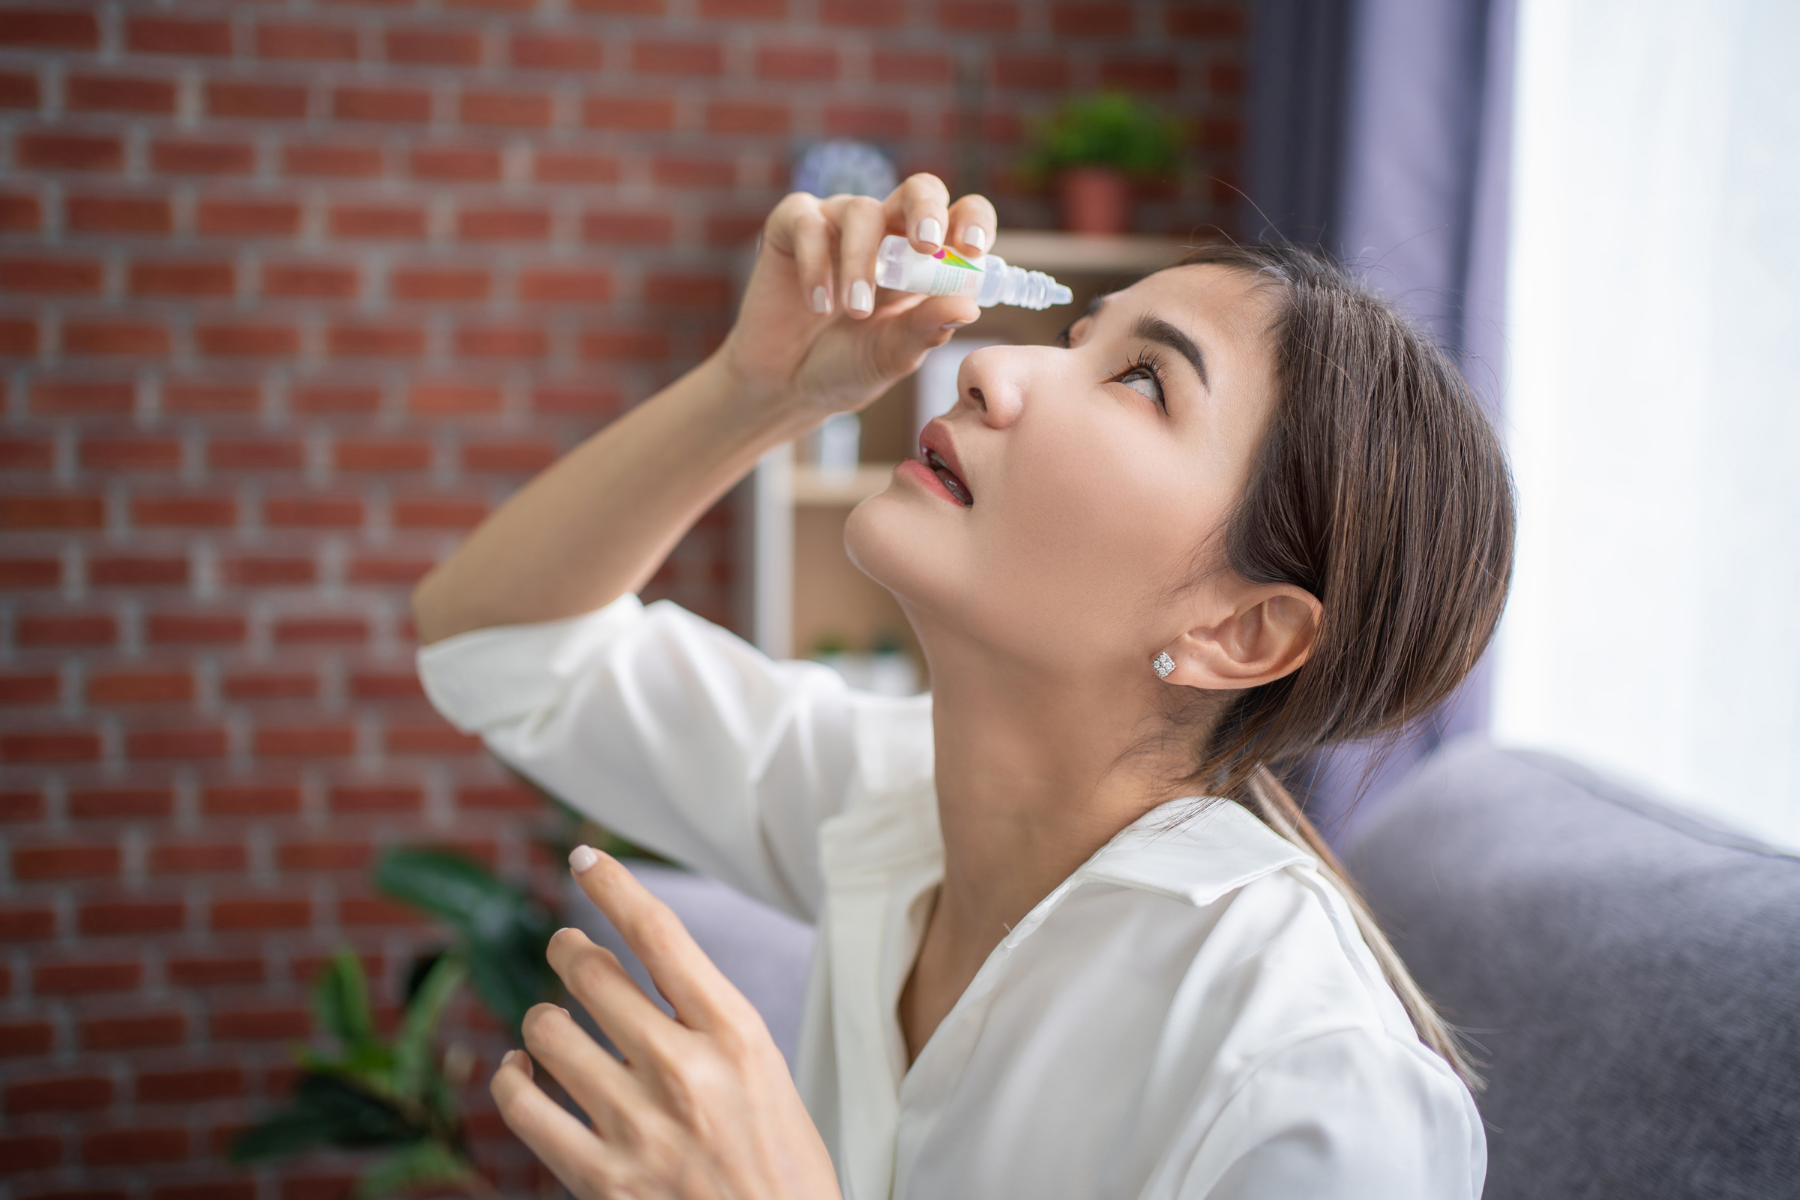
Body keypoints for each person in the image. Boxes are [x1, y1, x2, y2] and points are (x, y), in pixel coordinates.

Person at [412, 173, 1514, 1200]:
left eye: (1142, 380)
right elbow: (497, 644)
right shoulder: (892, 800)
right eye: (1081, 337)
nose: (990, 365)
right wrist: (756, 388)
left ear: (1241, 628)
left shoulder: (1314, 1090)